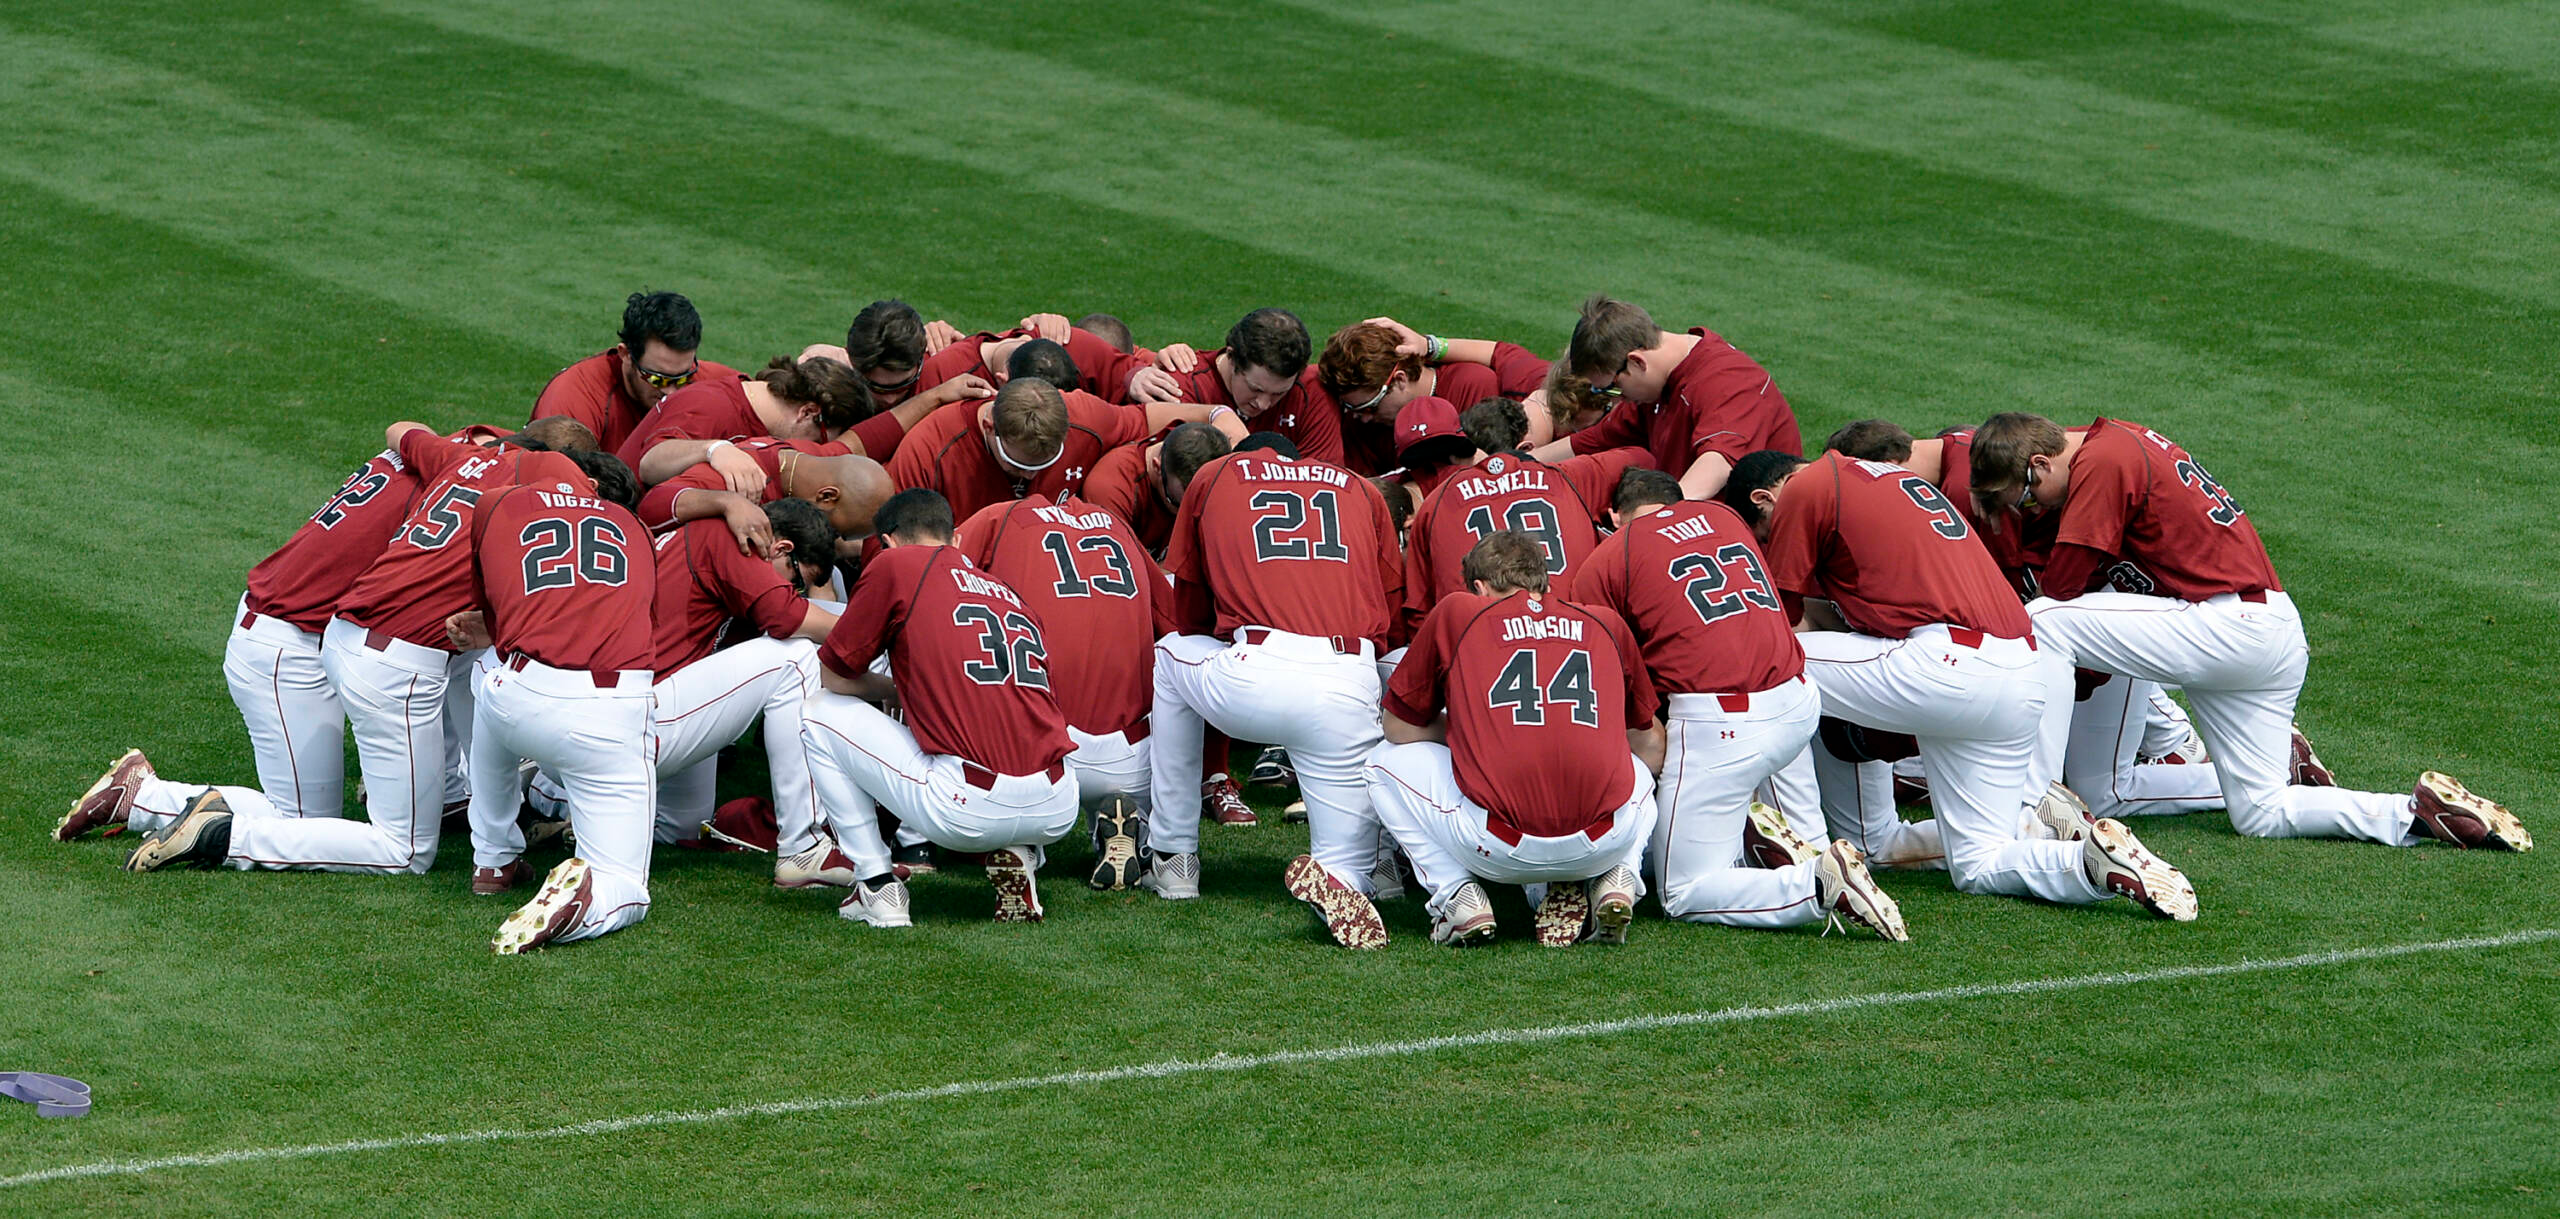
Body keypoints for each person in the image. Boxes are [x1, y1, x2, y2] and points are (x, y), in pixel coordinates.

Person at [1968, 413, 2530, 852]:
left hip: (2224, 624)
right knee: (2262, 811)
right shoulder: (2122, 442)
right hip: (2272, 631)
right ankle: (2412, 813)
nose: (2029, 509)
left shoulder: (2104, 460)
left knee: (2045, 620)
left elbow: (2063, 588)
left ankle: (2029, 804)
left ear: (2040, 464)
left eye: (2024, 497)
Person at [1723, 448, 2198, 919]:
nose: (1774, 539)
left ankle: (1807, 857)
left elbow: (1779, 624)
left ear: (1766, 498)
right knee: (1979, 862)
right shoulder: (1890, 480)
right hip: (2020, 671)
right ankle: (2086, 862)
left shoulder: (1806, 487)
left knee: (1772, 665)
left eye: (1765, 529)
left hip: (1945, 663)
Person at [1569, 470, 1904, 939]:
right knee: (1799, 827)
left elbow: (1609, 676)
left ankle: (1813, 882)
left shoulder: (1609, 556)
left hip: (1723, 724)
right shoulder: (1724, 516)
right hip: (1797, 700)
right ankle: (1804, 852)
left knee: (1683, 890)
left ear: (1616, 517)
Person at [1147, 435, 1403, 947]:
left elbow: (1190, 607)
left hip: (1255, 673)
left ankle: (1174, 857)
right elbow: (1391, 608)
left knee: (1170, 654)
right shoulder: (1361, 489)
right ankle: (1371, 869)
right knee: (1341, 858)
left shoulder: (1217, 474)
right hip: (1347, 677)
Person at [801, 489, 1081, 927]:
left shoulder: (896, 563)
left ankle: (876, 884)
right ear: (956, 539)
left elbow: (833, 675)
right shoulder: (1006, 588)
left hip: (968, 802)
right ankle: (1022, 850)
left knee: (818, 710)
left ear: (889, 541)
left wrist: (894, 691)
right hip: (1059, 801)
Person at [1367, 532, 1661, 947]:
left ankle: (1455, 897)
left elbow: (1396, 726)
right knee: (1636, 769)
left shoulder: (1459, 612)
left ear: (1480, 588)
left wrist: (1461, 733)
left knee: (1380, 763)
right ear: (1546, 582)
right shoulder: (1604, 621)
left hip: (1498, 847)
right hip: (1605, 839)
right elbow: (1651, 746)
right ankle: (1619, 876)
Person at [448, 455, 660, 952]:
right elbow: (649, 621)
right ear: (590, 487)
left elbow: (493, 606)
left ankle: (492, 859)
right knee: (628, 886)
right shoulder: (632, 523)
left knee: (487, 682)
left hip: (517, 695)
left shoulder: (498, 503)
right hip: (606, 711)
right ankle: (585, 905)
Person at [956, 492, 1176, 890]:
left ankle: (1020, 845)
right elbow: (1175, 622)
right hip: (1134, 758)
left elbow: (939, 578)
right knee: (1176, 664)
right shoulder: (1116, 525)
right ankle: (1140, 826)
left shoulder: (1001, 516)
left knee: (973, 664)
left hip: (1044, 754)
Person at [1399, 396, 1647, 633]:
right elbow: (1643, 456)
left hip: (1483, 645)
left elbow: (1419, 616)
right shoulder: (1567, 477)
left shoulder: (1435, 503)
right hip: (1577, 634)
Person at [1532, 294, 1800, 499]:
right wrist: (1516, 464)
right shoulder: (1657, 386)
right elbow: (1595, 440)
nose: (1614, 399)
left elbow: (1718, 463)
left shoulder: (1729, 380)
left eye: (1610, 387)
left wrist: (1658, 520)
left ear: (1636, 362)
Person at [1318, 319, 1553, 471]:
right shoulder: (1362, 423)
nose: (1362, 418)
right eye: (1352, 409)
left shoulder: (1475, 387)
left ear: (1400, 380)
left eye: (1370, 407)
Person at [531, 290, 738, 455]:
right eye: (657, 378)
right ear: (626, 355)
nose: (671, 393)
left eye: (683, 378)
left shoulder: (717, 383)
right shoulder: (575, 396)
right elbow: (554, 485)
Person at [1139, 309, 1345, 467]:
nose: (1263, 404)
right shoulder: (1179, 386)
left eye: (1279, 393)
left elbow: (1324, 484)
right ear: (1232, 357)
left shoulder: (1312, 392)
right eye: (1255, 388)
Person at [620, 355, 878, 477]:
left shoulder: (754, 408)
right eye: (820, 441)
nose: (813, 451)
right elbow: (650, 464)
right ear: (808, 412)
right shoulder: (712, 405)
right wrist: (714, 449)